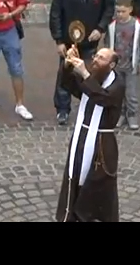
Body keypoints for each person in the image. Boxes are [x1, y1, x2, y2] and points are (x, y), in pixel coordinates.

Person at [55, 47, 125, 222]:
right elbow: (71, 85)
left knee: (97, 185)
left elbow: (102, 97)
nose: (95, 60)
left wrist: (85, 74)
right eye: (96, 56)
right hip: (81, 136)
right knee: (75, 174)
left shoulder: (117, 84)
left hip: (101, 143)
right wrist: (67, 65)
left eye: (101, 58)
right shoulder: (93, 77)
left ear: (112, 64)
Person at [49, 0, 115, 125]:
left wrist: (100, 28)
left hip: (90, 42)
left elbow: (109, 7)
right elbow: (55, 13)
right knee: (64, 74)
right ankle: (62, 109)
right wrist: (59, 40)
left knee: (90, 74)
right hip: (68, 42)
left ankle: (89, 104)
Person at [104, 0, 140, 130]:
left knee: (131, 94)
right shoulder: (112, 26)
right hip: (116, 67)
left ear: (130, 10)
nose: (120, 14)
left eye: (123, 11)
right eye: (118, 11)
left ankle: (132, 115)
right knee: (118, 92)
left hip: (131, 67)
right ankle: (121, 114)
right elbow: (107, 44)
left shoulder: (138, 26)